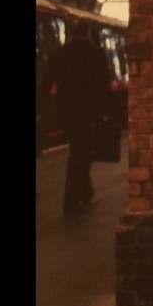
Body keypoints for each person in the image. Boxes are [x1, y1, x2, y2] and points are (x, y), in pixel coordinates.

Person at [39, 22, 111, 215]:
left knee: (79, 151)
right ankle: (71, 201)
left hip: (65, 111)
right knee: (80, 155)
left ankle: (85, 193)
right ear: (87, 33)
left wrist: (40, 110)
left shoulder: (58, 54)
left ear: (71, 33)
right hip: (87, 112)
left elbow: (45, 83)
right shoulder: (95, 53)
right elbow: (104, 85)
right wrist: (105, 113)